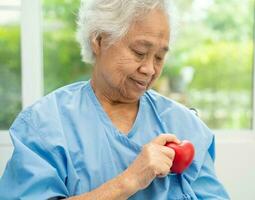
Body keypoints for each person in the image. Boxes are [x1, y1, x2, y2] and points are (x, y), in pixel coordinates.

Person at [0, 0, 230, 199]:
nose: (150, 69)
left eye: (159, 57)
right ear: (99, 41)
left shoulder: (183, 124)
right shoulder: (45, 124)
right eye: (140, 52)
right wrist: (129, 181)